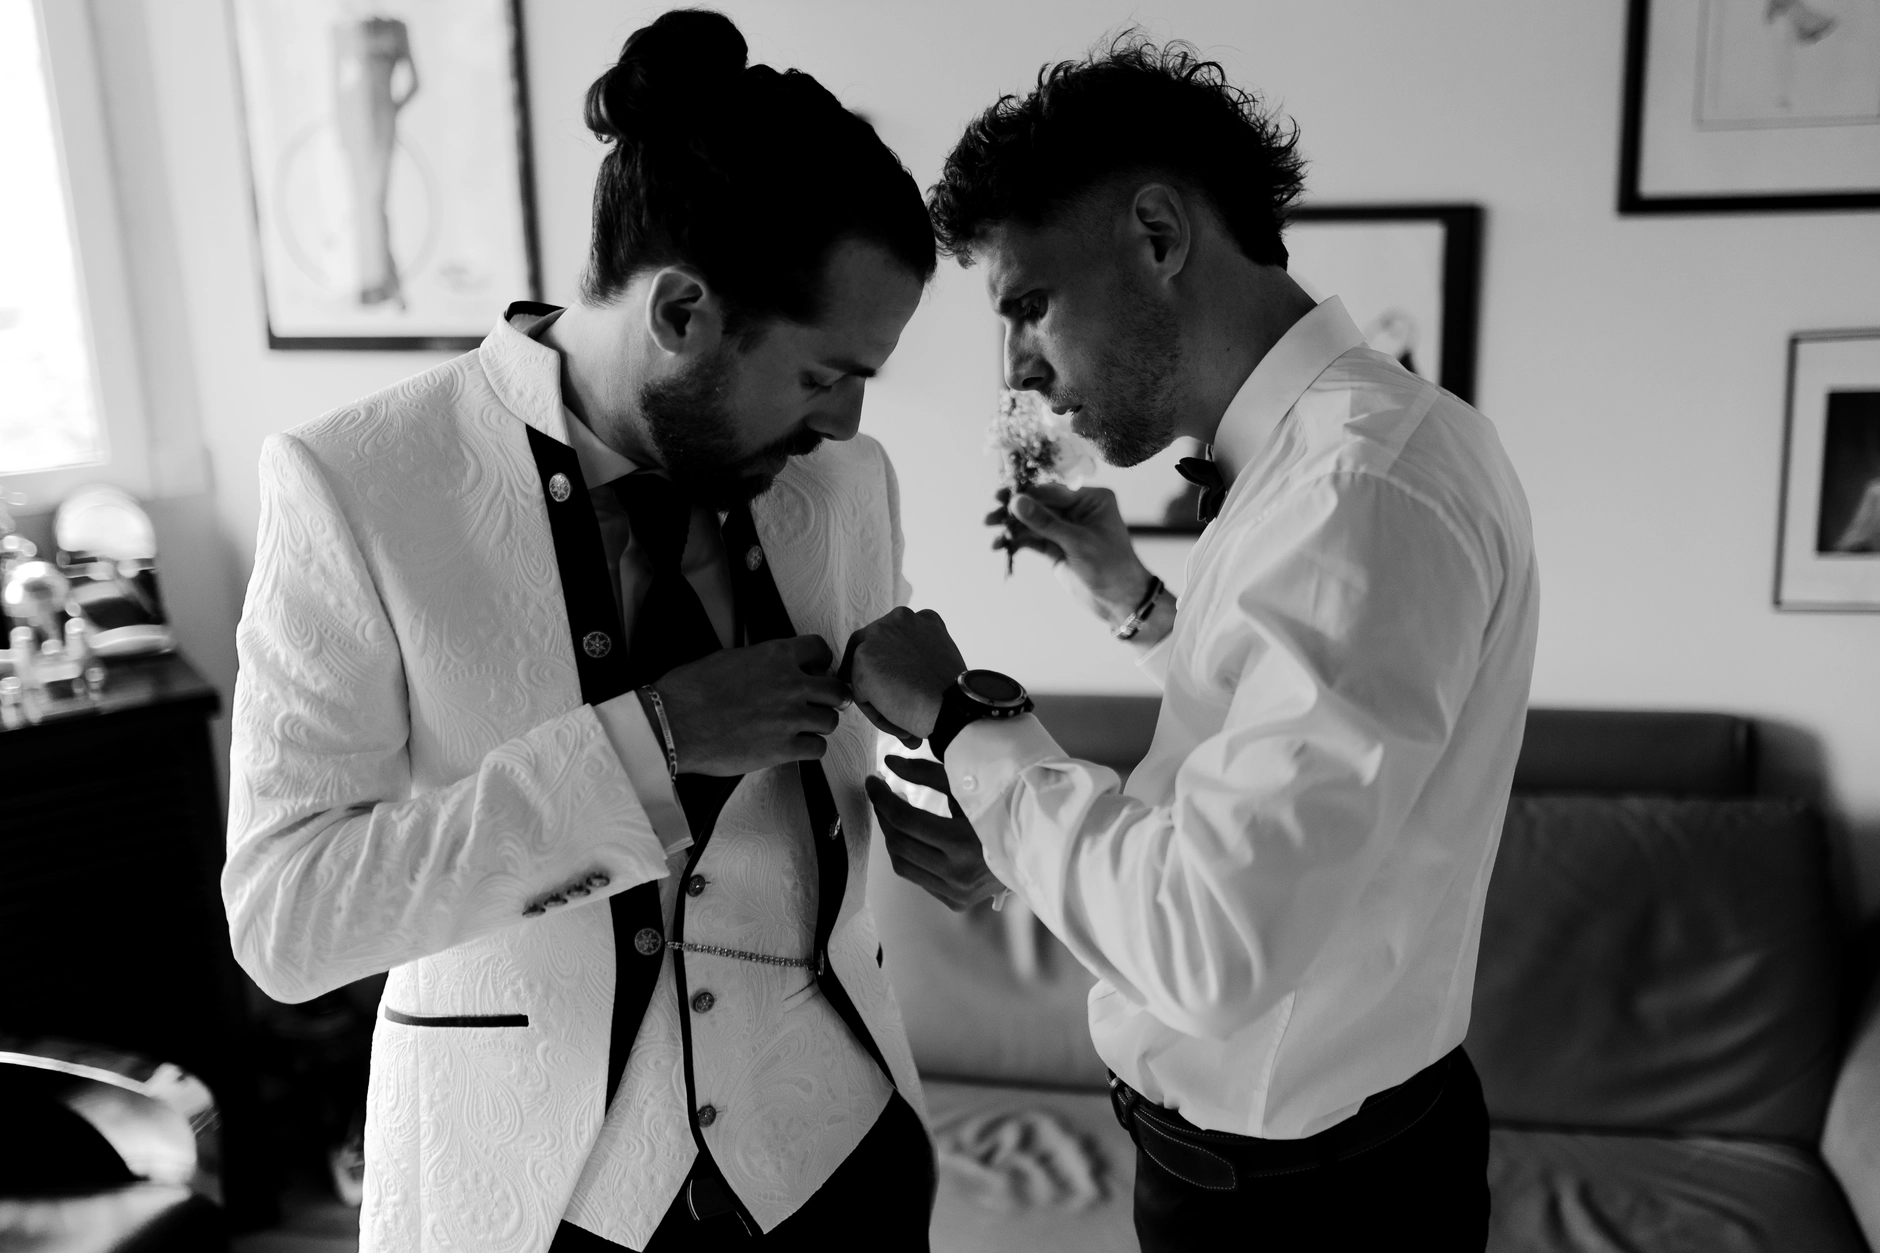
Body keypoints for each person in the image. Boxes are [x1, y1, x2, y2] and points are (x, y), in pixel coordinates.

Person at [225, 12, 939, 1251]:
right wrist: (647, 748)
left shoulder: (844, 486)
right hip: (530, 1198)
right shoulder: (356, 487)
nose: (845, 422)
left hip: (834, 1163)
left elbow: (855, 763)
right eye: (822, 374)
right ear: (680, 309)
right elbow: (287, 920)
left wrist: (946, 814)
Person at [852, 37, 1538, 1251]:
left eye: (1028, 305)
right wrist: (1131, 601)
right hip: (1290, 1174)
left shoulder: (1354, 489)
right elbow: (1273, 735)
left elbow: (1208, 942)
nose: (1019, 369)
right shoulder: (1337, 454)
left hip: (1302, 1213)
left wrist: (963, 725)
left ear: (1157, 235)